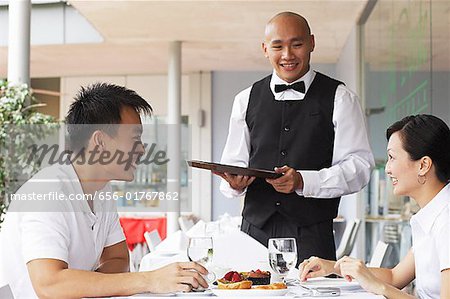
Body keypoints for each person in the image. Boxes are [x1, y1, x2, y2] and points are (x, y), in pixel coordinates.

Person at [0, 83, 208, 298]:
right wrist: (149, 279)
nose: (142, 149)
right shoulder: (48, 192)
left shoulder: (101, 189)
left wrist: (85, 285)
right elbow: (50, 285)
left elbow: (118, 260)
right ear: (99, 141)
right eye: (135, 138)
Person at [215, 11, 374, 263]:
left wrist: (303, 181)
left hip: (312, 235)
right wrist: (234, 183)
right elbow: (234, 163)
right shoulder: (245, 99)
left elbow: (360, 168)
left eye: (297, 44)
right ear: (265, 49)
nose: (287, 55)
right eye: (278, 46)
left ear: (311, 42)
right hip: (254, 233)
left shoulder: (340, 98)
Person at [298, 114, 450, 299]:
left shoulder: (446, 219)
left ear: (424, 165)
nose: (387, 168)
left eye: (392, 157)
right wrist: (334, 267)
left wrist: (380, 287)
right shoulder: (431, 215)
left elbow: (389, 285)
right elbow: (395, 277)